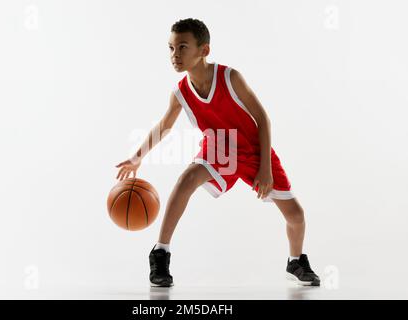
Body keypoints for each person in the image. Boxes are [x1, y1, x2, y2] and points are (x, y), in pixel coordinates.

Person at [115, 18, 320, 287]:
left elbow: (263, 119)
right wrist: (137, 156)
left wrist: (265, 169)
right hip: (218, 149)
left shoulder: (229, 77)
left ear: (204, 51)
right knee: (186, 179)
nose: (174, 55)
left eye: (182, 47)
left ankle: (296, 261)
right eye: (171, 48)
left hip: (254, 149)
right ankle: (160, 252)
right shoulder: (180, 93)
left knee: (296, 216)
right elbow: (164, 126)